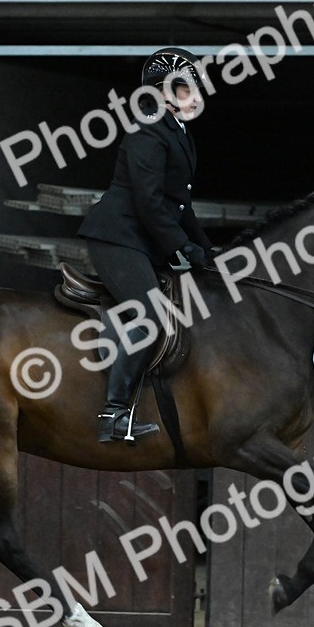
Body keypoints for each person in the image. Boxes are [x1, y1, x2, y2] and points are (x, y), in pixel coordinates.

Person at [78, 47, 216, 443]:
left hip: (142, 239)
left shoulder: (179, 132)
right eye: (185, 88)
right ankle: (114, 413)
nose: (195, 96)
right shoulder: (148, 127)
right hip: (117, 237)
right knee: (151, 316)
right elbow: (148, 201)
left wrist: (207, 250)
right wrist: (181, 247)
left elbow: (181, 205)